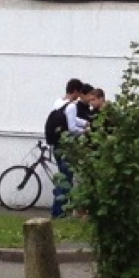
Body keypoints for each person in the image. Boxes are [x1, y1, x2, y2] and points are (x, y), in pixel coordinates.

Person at [50, 78, 89, 218]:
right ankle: (58, 212)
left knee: (62, 177)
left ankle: (58, 210)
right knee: (66, 180)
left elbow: (70, 119)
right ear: (75, 91)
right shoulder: (71, 106)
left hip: (56, 144)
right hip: (65, 146)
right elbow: (72, 127)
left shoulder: (58, 102)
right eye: (79, 93)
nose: (79, 97)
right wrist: (85, 130)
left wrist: (84, 122)